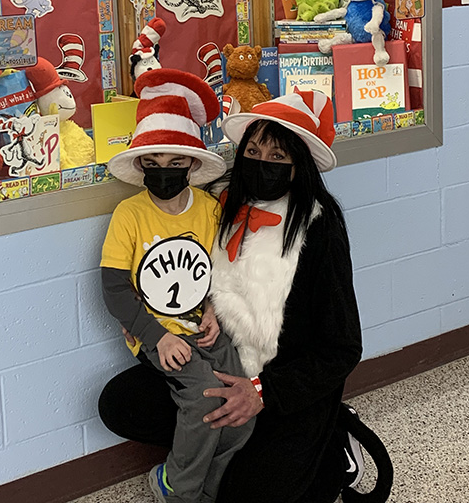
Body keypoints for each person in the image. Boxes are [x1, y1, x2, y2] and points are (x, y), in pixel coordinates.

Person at [99, 88, 393, 503]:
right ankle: (216, 443)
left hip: (283, 388)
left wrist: (261, 393)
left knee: (243, 494)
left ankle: (331, 442)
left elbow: (342, 349)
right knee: (120, 403)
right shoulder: (220, 201)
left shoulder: (320, 227)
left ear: (300, 165)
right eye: (253, 151)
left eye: (277, 157)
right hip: (220, 359)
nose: (261, 163)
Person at [100, 68, 255, 503]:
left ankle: (213, 483)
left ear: (192, 163)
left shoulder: (207, 210)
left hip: (203, 324)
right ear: (140, 164)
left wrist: (212, 309)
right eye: (152, 164)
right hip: (156, 333)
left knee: (238, 403)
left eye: (175, 163)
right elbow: (113, 289)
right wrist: (158, 336)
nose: (163, 172)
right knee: (205, 398)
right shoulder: (129, 216)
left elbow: (218, 270)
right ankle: (179, 488)